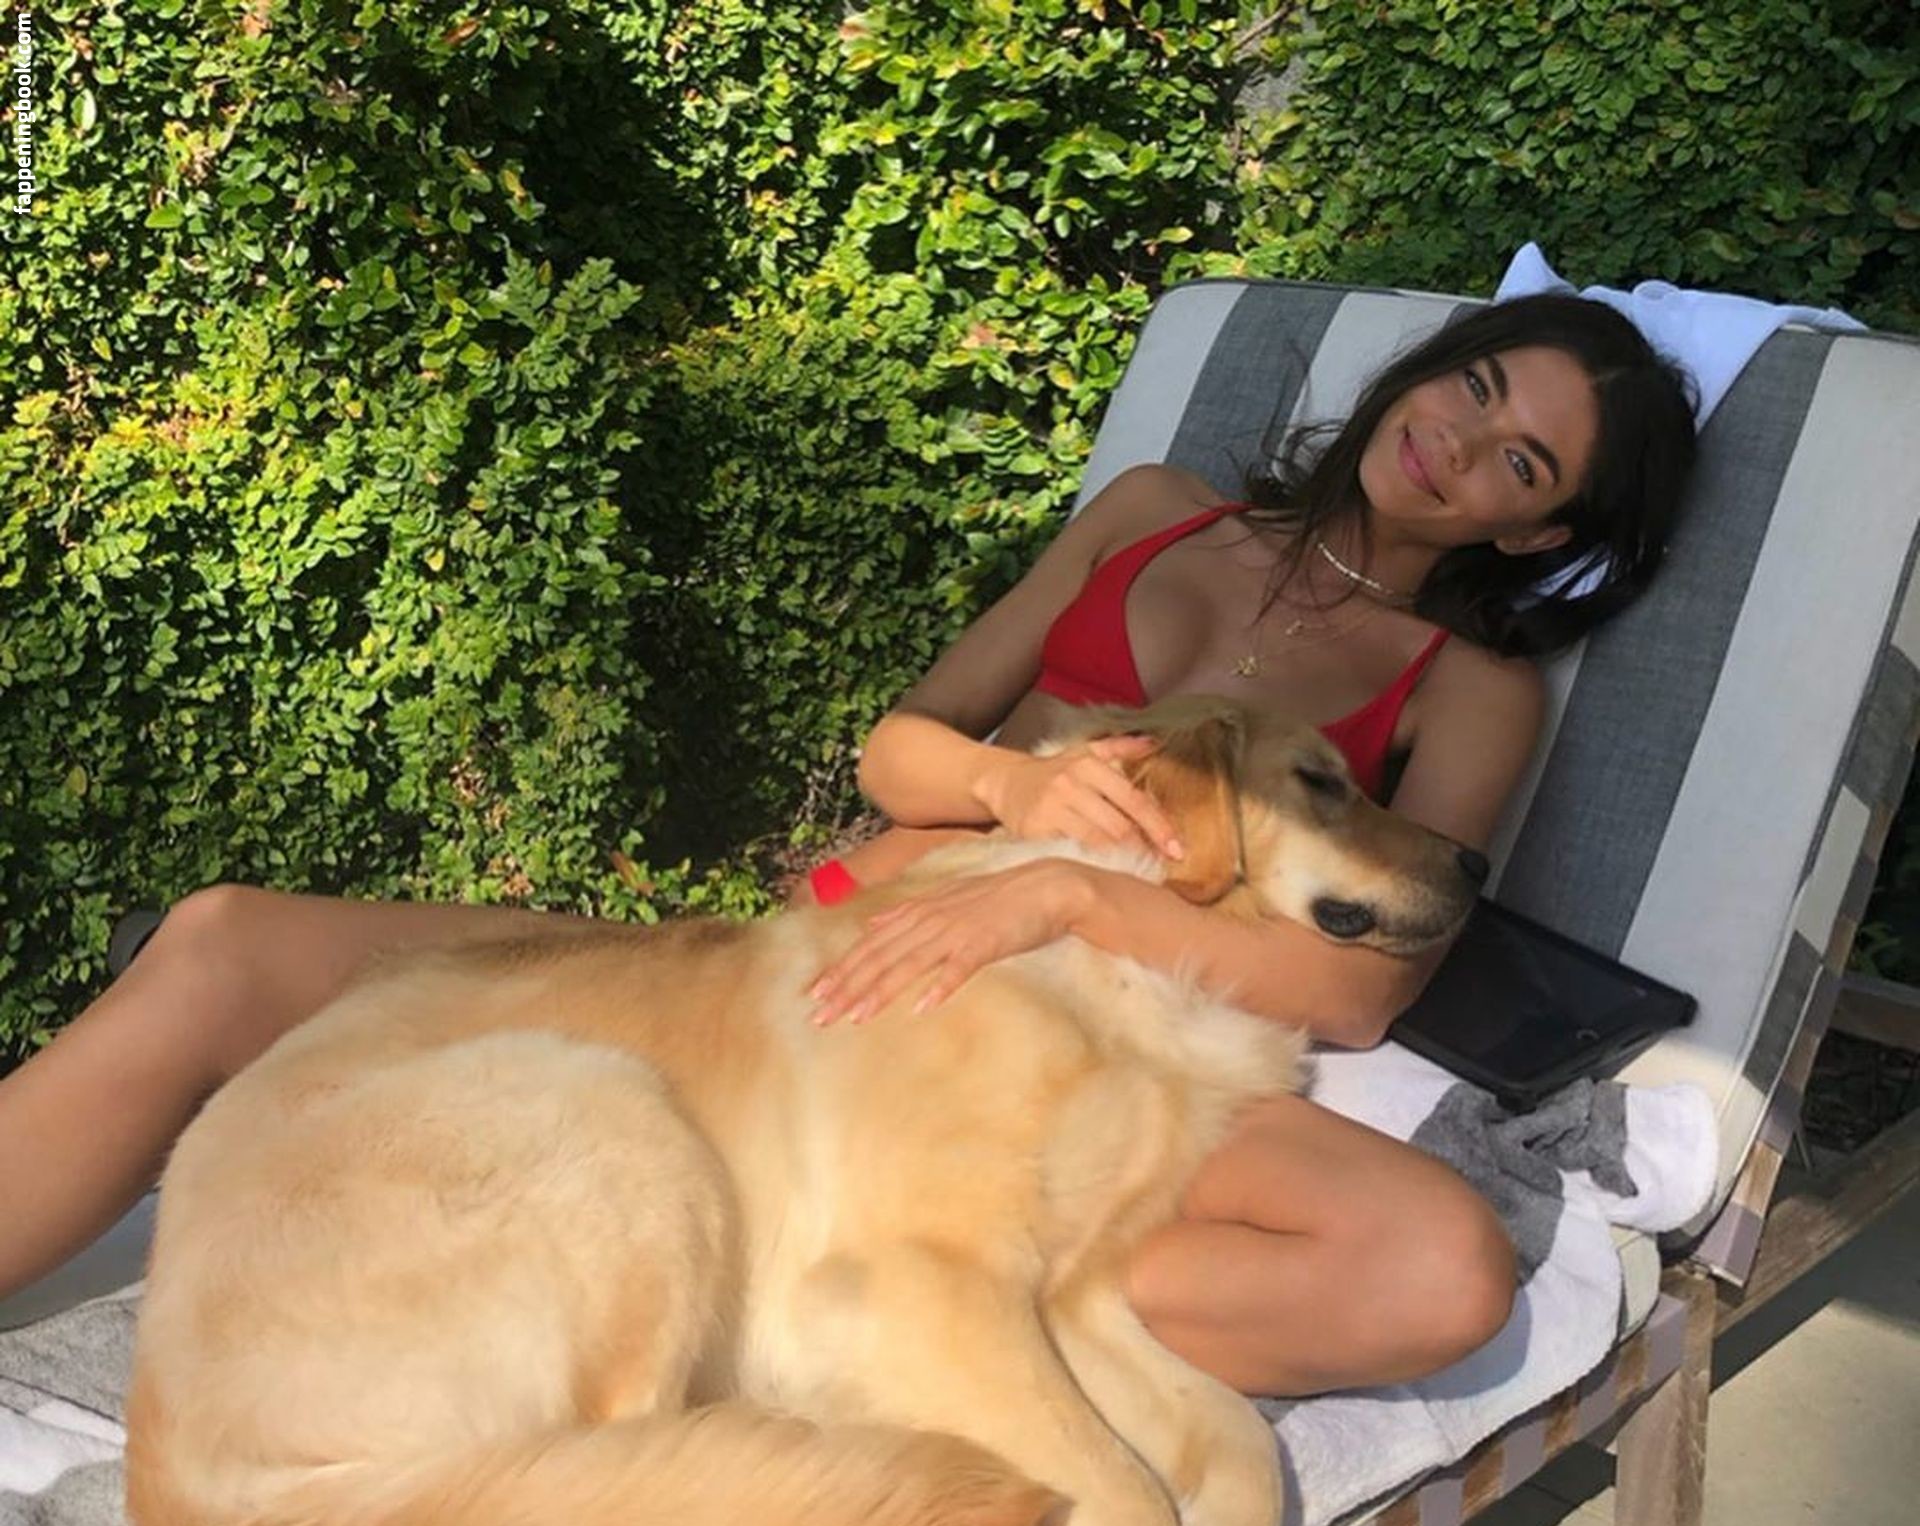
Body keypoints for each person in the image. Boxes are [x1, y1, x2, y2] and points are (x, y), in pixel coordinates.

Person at [0, 292, 1696, 1399]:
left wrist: (1060, 900)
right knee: (223, 943)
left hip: (1070, 1059)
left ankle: (848, 1301)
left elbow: (1362, 990)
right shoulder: (1156, 513)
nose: (1458, 441)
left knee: (1436, 1270)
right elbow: (901, 746)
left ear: (1536, 528)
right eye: (1476, 384)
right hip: (797, 970)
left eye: (1519, 460)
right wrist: (1013, 794)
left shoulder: (1468, 687)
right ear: (1427, 366)